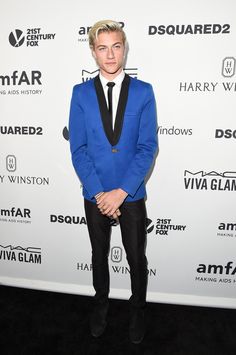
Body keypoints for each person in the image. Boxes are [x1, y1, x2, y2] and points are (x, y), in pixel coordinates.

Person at [69, 19, 158, 344]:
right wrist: (98, 192)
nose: (110, 54)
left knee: (136, 258)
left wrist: (121, 192)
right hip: (95, 194)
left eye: (116, 46)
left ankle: (138, 311)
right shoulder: (79, 93)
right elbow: (77, 148)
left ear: (124, 49)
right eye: (103, 48)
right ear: (93, 52)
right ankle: (100, 307)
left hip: (131, 193)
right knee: (98, 256)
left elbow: (148, 146)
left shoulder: (144, 91)